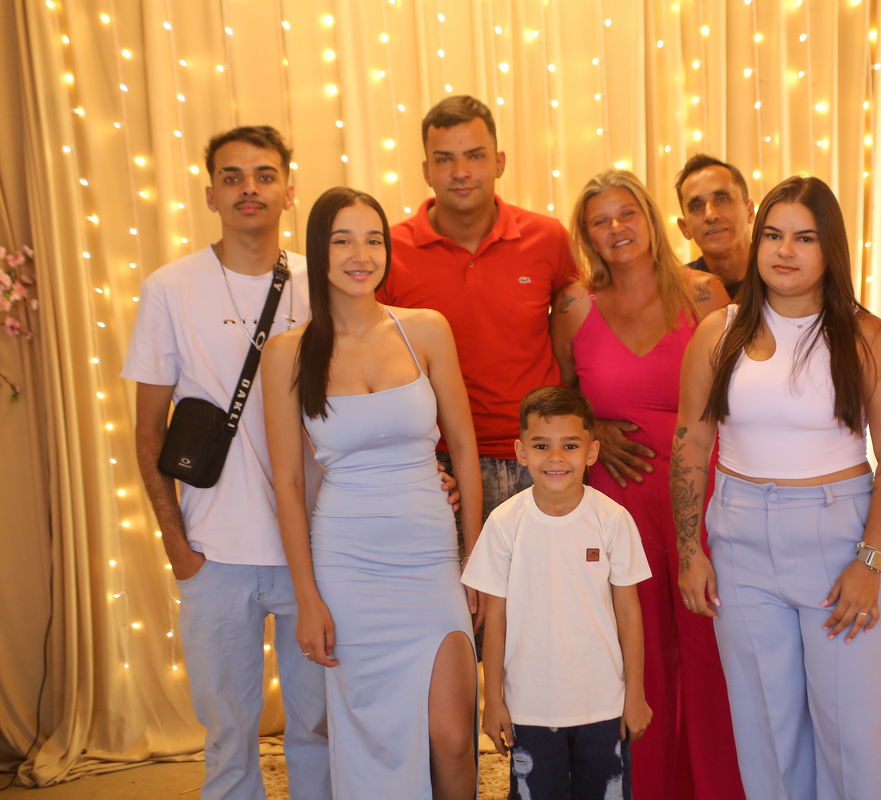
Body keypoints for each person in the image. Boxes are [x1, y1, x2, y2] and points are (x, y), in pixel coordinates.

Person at [672, 175, 881, 800]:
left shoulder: (867, 337)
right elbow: (691, 444)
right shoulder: (718, 332)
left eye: (805, 238)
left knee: (855, 735)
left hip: (838, 541)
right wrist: (689, 550)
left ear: (830, 248)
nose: (785, 251)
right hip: (740, 541)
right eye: (773, 235)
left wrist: (870, 561)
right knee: (766, 732)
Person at [123, 127, 332, 800]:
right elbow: (147, 432)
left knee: (320, 728)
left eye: (265, 175)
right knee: (227, 739)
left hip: (315, 551)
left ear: (289, 192)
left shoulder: (324, 283)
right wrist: (176, 545)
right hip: (213, 555)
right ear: (211, 193)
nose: (250, 188)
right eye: (233, 176)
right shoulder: (170, 289)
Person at [261, 187, 482, 799]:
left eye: (374, 240)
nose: (361, 255)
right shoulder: (287, 354)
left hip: (431, 559)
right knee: (373, 740)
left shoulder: (426, 330)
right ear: (318, 251)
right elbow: (287, 482)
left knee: (453, 739)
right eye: (343, 240)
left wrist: (475, 559)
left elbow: (464, 447)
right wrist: (307, 598)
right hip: (348, 566)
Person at [552, 170, 744, 800]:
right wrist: (595, 425)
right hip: (617, 501)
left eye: (626, 213)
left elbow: (740, 395)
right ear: (587, 235)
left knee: (712, 651)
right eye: (600, 220)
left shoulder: (704, 294)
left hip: (701, 496)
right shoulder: (575, 307)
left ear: (650, 218)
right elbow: (561, 401)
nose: (616, 228)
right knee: (637, 657)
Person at [377, 95, 578, 537]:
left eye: (475, 156)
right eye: (444, 159)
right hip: (436, 468)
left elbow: (583, 339)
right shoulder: (388, 252)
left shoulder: (548, 239)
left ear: (499, 162)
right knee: (456, 585)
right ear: (426, 170)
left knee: (545, 584)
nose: (461, 172)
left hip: (539, 458)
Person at [462, 386, 652, 800]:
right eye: (541, 445)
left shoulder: (613, 520)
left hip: (604, 705)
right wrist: (493, 701)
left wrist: (635, 695)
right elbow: (496, 618)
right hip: (529, 707)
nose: (555, 457)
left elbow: (629, 613)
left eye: (569, 445)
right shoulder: (504, 523)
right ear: (521, 451)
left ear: (592, 451)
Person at [675, 154, 756, 299]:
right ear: (684, 227)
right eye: (697, 206)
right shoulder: (677, 291)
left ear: (749, 211)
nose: (711, 215)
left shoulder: (783, 276)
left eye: (722, 199)